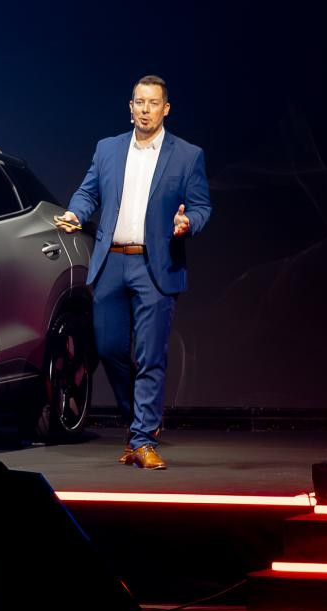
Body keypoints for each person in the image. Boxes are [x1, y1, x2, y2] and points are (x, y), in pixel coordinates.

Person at [53, 76, 212, 469]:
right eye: (139, 102)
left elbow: (201, 206)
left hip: (155, 265)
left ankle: (142, 438)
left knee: (150, 355)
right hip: (111, 262)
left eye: (153, 103)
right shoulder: (108, 149)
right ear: (130, 107)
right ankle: (139, 423)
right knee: (108, 348)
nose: (145, 110)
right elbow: (88, 191)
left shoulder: (187, 155)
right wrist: (76, 213)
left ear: (165, 109)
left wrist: (188, 222)